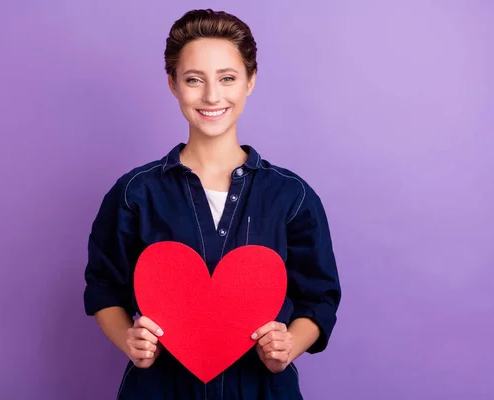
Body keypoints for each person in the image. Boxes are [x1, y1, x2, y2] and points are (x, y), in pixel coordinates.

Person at [83, 8, 341, 399]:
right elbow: (104, 287)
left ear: (250, 81)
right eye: (193, 80)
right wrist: (130, 341)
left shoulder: (292, 196)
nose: (211, 96)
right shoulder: (135, 193)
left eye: (227, 78)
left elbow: (318, 297)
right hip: (159, 389)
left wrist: (288, 345)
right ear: (172, 84)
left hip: (262, 390)